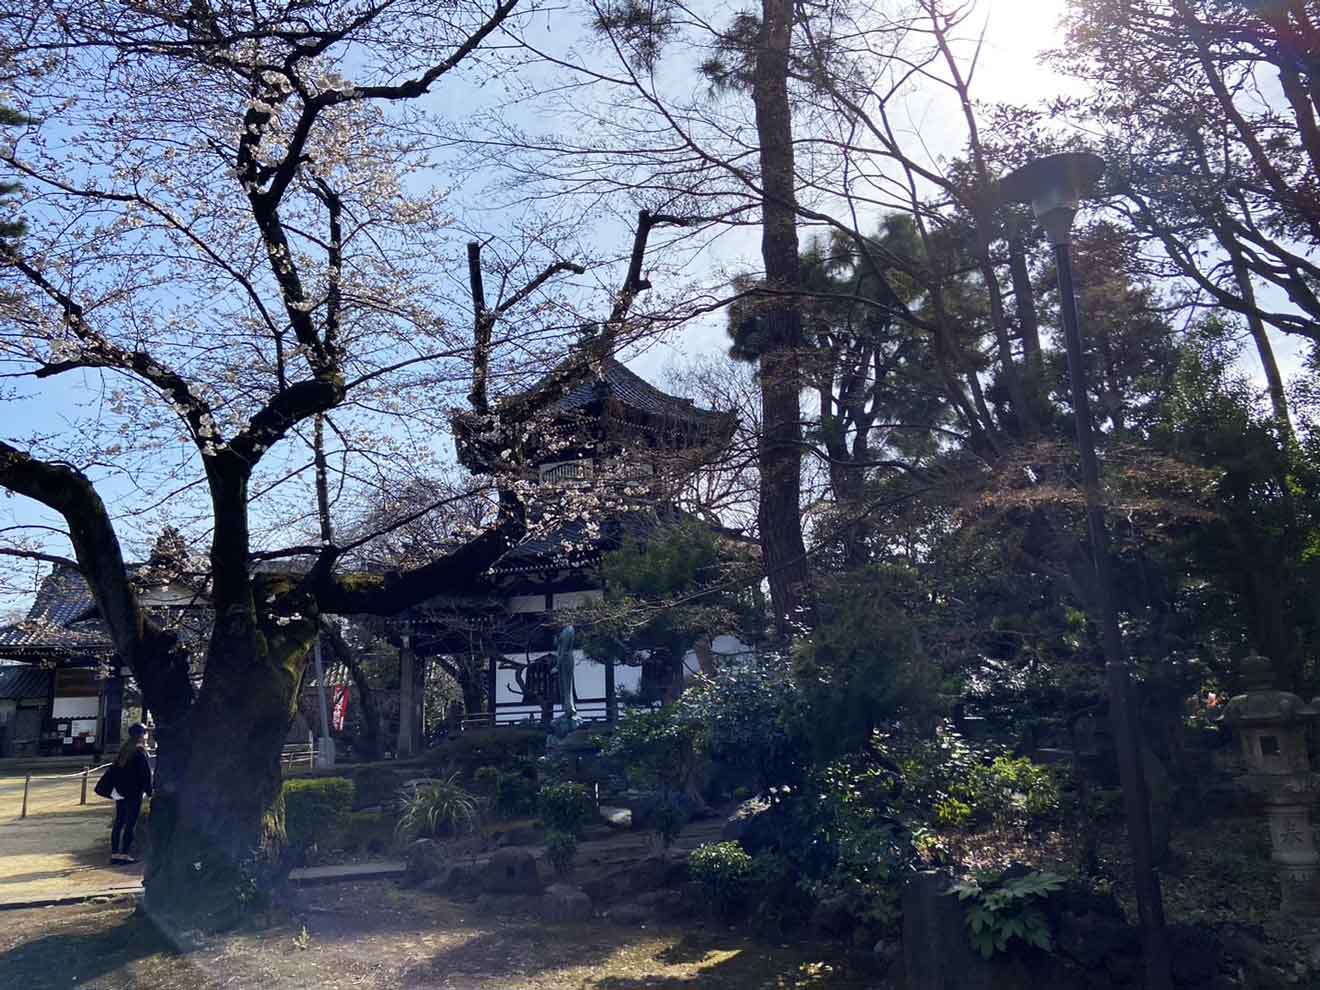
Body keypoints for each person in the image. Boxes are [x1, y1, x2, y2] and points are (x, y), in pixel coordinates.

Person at [108, 723, 152, 865]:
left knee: (119, 822)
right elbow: (145, 774)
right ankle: (125, 854)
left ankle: (115, 853)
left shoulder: (123, 750)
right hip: (134, 792)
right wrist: (149, 791)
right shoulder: (140, 751)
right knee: (130, 824)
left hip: (120, 792)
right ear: (141, 735)